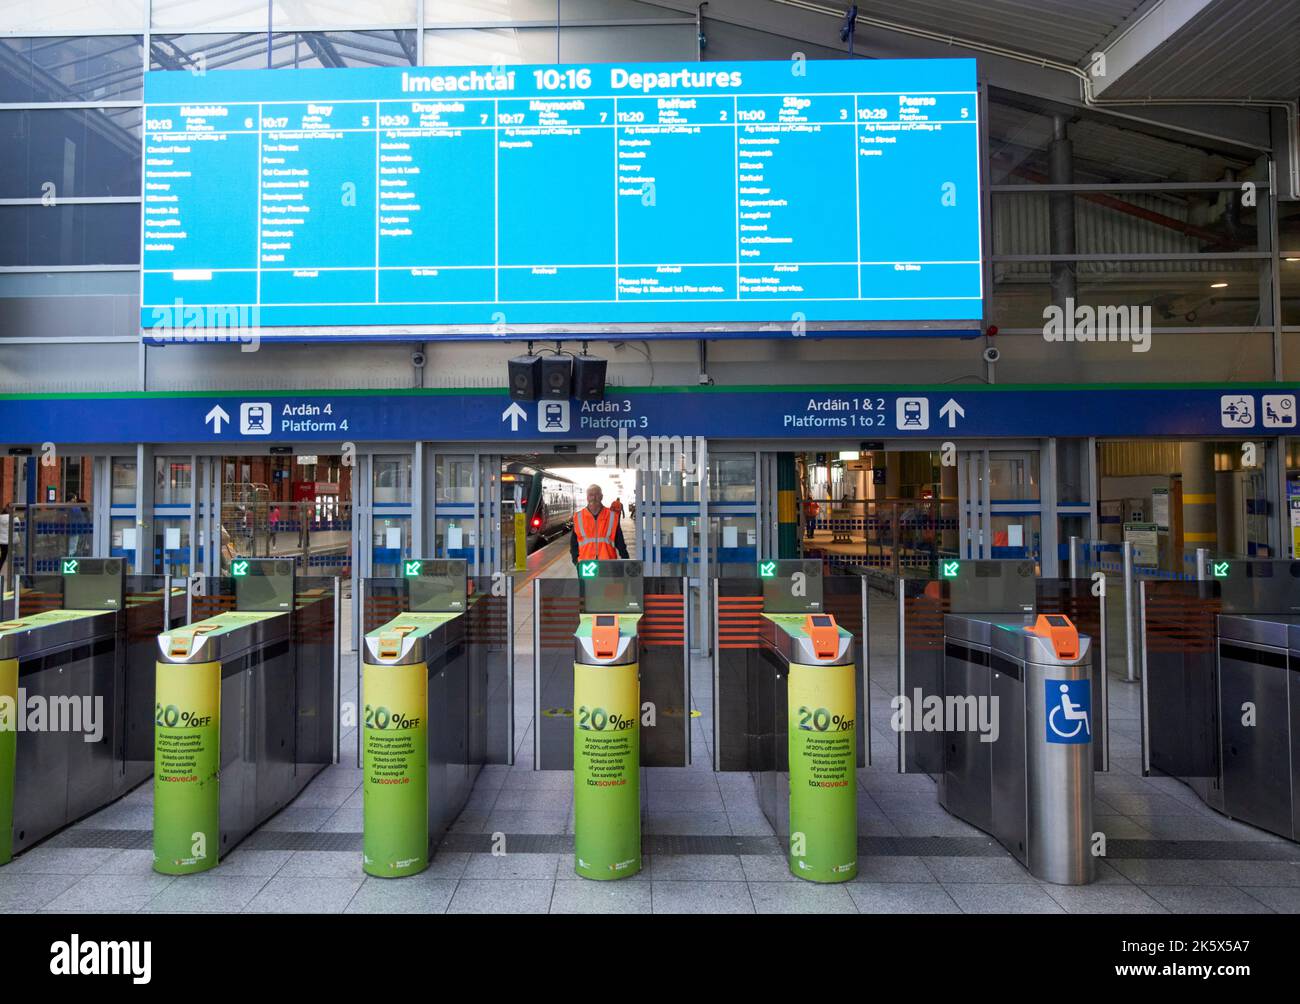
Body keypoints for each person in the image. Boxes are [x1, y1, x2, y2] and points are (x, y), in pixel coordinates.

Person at [570, 484, 629, 567]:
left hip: (608, 562)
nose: (594, 498)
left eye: (596, 495)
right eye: (591, 495)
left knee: (608, 581)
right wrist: (575, 560)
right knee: (588, 581)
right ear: (587, 498)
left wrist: (626, 559)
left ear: (601, 496)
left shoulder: (611, 516)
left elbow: (620, 541)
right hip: (586, 564)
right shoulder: (578, 516)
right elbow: (574, 542)